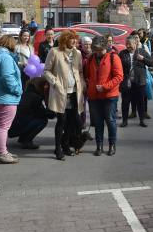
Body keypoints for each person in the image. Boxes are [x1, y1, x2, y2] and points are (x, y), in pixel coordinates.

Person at [44, 30, 85, 160]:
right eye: (71, 39)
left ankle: (66, 146)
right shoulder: (55, 52)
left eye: (75, 39)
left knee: (72, 121)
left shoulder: (77, 53)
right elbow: (46, 71)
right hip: (61, 93)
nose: (74, 41)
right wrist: (55, 83)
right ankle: (58, 149)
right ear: (65, 40)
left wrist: (83, 84)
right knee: (62, 121)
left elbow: (80, 71)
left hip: (74, 92)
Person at [0, 35, 23, 164]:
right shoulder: (5, 57)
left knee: (0, 126)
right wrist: (17, 90)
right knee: (3, 127)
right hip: (6, 97)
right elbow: (7, 76)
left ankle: (2, 150)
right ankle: (2, 152)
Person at [85, 36, 123, 156]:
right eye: (95, 50)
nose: (98, 52)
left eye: (100, 50)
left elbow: (119, 76)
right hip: (94, 96)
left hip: (109, 95)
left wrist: (105, 86)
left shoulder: (113, 57)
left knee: (110, 120)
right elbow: (87, 74)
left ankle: (112, 145)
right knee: (98, 122)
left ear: (105, 47)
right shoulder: (91, 58)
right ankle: (99, 146)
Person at [9, 77, 53, 149]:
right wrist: (54, 112)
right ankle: (27, 141)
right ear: (40, 85)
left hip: (13, 126)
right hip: (17, 127)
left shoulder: (26, 94)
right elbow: (43, 113)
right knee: (43, 121)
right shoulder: (36, 97)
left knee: (33, 119)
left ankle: (23, 139)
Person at [119, 35, 152, 128]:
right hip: (127, 82)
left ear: (135, 43)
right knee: (125, 102)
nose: (128, 46)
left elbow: (152, 62)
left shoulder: (142, 52)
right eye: (126, 44)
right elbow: (118, 67)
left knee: (140, 102)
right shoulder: (122, 53)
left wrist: (143, 59)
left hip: (140, 81)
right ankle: (124, 121)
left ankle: (142, 120)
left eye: (129, 44)